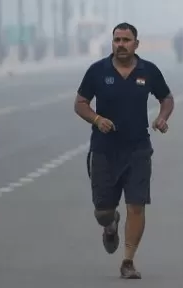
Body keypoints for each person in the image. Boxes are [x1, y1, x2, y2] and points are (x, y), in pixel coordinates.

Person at [74, 22, 174, 279]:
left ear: (136, 44)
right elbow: (81, 103)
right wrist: (97, 120)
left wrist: (163, 118)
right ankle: (110, 224)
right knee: (102, 211)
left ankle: (128, 261)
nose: (121, 45)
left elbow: (166, 98)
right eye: (117, 40)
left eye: (126, 40)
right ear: (112, 43)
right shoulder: (98, 71)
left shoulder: (148, 71)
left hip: (138, 150)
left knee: (137, 206)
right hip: (104, 151)